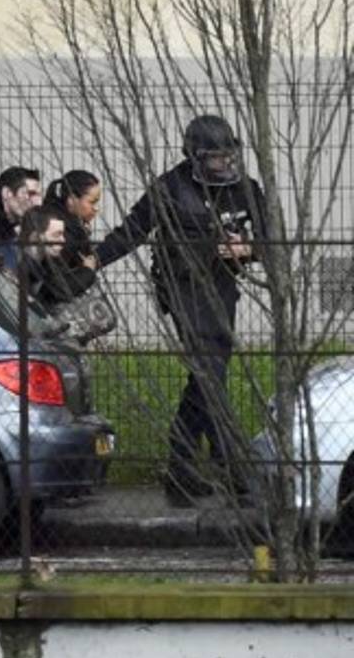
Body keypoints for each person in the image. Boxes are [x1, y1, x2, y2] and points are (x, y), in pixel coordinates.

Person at [94, 114, 267, 506]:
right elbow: (132, 231)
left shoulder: (246, 189)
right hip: (182, 289)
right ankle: (235, 469)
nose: (223, 165)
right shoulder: (170, 188)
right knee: (208, 374)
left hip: (222, 288)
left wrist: (248, 250)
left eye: (228, 156)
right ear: (195, 157)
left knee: (208, 377)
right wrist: (94, 260)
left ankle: (181, 469)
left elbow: (270, 240)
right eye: (214, 159)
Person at [16, 206, 95, 305]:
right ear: (36, 237)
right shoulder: (18, 265)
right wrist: (87, 271)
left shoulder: (44, 266)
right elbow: (59, 291)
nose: (63, 240)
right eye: (56, 235)